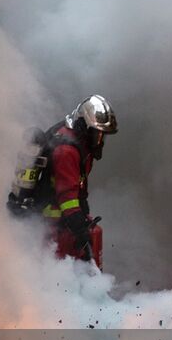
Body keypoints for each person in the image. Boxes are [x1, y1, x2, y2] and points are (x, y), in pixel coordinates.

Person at [43, 95, 117, 268]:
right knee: (85, 240)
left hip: (58, 215)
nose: (100, 141)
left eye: (102, 136)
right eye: (98, 134)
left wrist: (82, 213)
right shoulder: (67, 151)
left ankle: (85, 287)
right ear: (86, 126)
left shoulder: (81, 142)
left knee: (92, 233)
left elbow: (78, 186)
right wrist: (79, 229)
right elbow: (67, 196)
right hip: (46, 219)